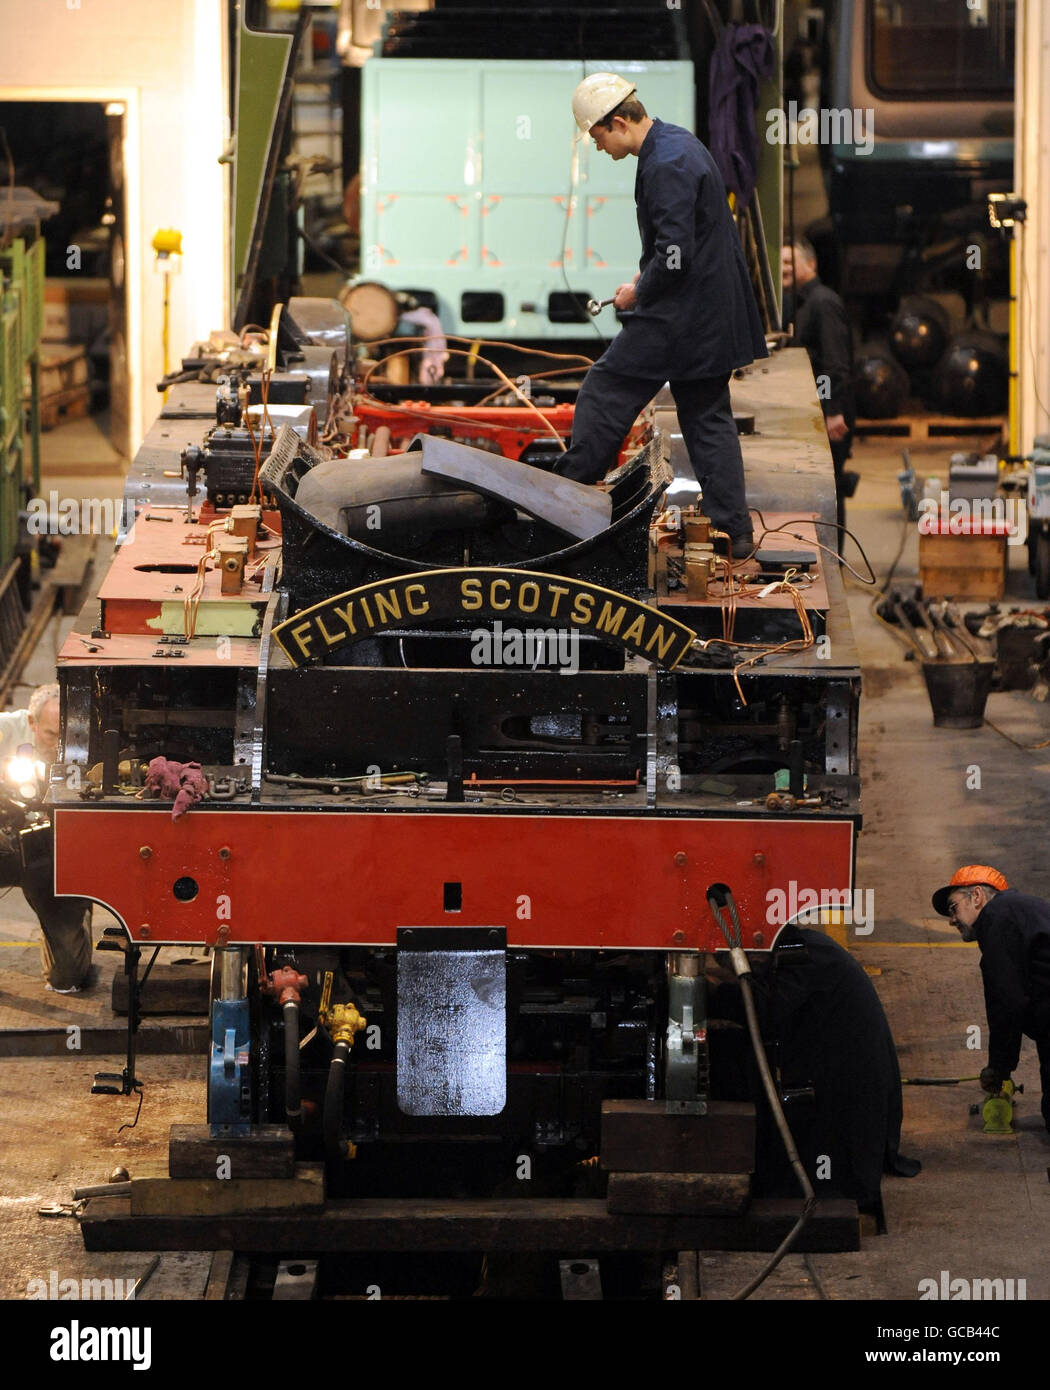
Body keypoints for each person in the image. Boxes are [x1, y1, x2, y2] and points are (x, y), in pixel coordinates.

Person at [553, 73, 769, 559]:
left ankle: (563, 504)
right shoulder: (676, 143)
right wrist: (644, 277)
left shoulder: (665, 163)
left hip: (682, 317)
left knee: (604, 389)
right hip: (708, 315)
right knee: (708, 420)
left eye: (597, 135)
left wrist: (638, 294)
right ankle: (735, 536)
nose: (598, 146)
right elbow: (676, 245)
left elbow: (675, 253)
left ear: (619, 122)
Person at [707, 925, 919, 1226]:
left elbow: (768, 1011)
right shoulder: (801, 945)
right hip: (840, 1066)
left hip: (846, 1089)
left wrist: (714, 995)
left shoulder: (799, 953)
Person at [932, 865, 1050, 1132]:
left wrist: (999, 1068)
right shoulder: (1016, 912)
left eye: (953, 908)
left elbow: (1007, 1004)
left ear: (977, 896)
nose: (952, 920)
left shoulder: (998, 917)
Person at [0, 683, 93, 993]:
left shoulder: (84, 747)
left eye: (65, 736)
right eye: (51, 735)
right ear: (31, 723)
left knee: (66, 978)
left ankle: (78, 918)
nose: (58, 745)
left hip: (54, 853)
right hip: (8, 840)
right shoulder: (7, 730)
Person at [781, 239, 856, 541]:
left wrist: (833, 411)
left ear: (811, 264)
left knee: (831, 488)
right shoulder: (799, 303)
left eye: (791, 262)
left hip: (828, 414)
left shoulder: (822, 302)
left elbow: (834, 363)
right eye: (782, 263)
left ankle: (834, 558)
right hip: (816, 412)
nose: (784, 268)